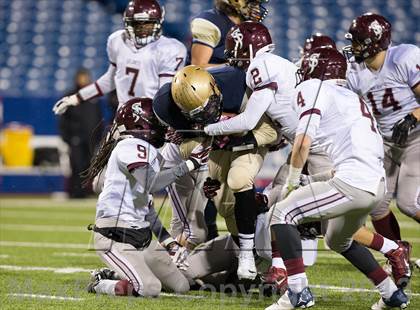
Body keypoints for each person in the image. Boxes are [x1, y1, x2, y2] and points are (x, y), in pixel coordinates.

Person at [265, 47, 408, 310]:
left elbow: (302, 143)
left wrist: (292, 181)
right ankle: (391, 294)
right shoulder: (352, 97)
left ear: (316, 68)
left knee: (281, 213)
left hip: (354, 181)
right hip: (374, 183)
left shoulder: (315, 89)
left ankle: (297, 292)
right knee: (337, 239)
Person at [153, 64, 278, 281]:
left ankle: (264, 255)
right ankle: (248, 257)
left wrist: (236, 139)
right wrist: (207, 142)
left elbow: (271, 132)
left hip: (247, 138)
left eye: (211, 105)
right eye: (199, 113)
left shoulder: (236, 85)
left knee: (239, 179)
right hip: (211, 148)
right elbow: (188, 147)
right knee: (223, 202)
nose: (210, 113)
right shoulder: (166, 106)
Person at [83, 97, 211, 297]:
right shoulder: (130, 145)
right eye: (157, 122)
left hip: (141, 237)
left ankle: (119, 273)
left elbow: (146, 208)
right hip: (114, 236)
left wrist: (169, 243)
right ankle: (101, 282)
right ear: (141, 122)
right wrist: (190, 164)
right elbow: (153, 183)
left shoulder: (147, 152)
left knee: (181, 286)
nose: (163, 127)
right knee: (149, 288)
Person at [345, 13, 420, 228]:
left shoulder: (404, 57)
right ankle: (397, 257)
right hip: (385, 142)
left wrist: (413, 116)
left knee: (409, 203)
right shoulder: (354, 71)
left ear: (374, 42)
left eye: (358, 42)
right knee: (376, 204)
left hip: (416, 138)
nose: (354, 47)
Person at [52, 0, 186, 115]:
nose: (142, 29)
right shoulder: (117, 41)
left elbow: (164, 95)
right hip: (123, 116)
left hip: (155, 117)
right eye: (137, 24)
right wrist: (77, 98)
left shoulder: (170, 48)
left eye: (147, 24)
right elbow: (110, 80)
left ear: (158, 22)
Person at [59, 68, 103, 198]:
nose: (83, 80)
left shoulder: (93, 96)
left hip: (91, 139)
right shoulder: (71, 97)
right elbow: (63, 120)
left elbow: (98, 118)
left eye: (85, 77)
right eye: (81, 77)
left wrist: (98, 137)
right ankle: (75, 192)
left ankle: (85, 191)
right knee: (76, 164)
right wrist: (68, 137)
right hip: (76, 138)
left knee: (87, 165)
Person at [188, 0, 268, 67]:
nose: (257, 9)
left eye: (258, 4)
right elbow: (197, 68)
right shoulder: (211, 21)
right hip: (205, 83)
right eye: (253, 3)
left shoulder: (250, 27)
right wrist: (236, 67)